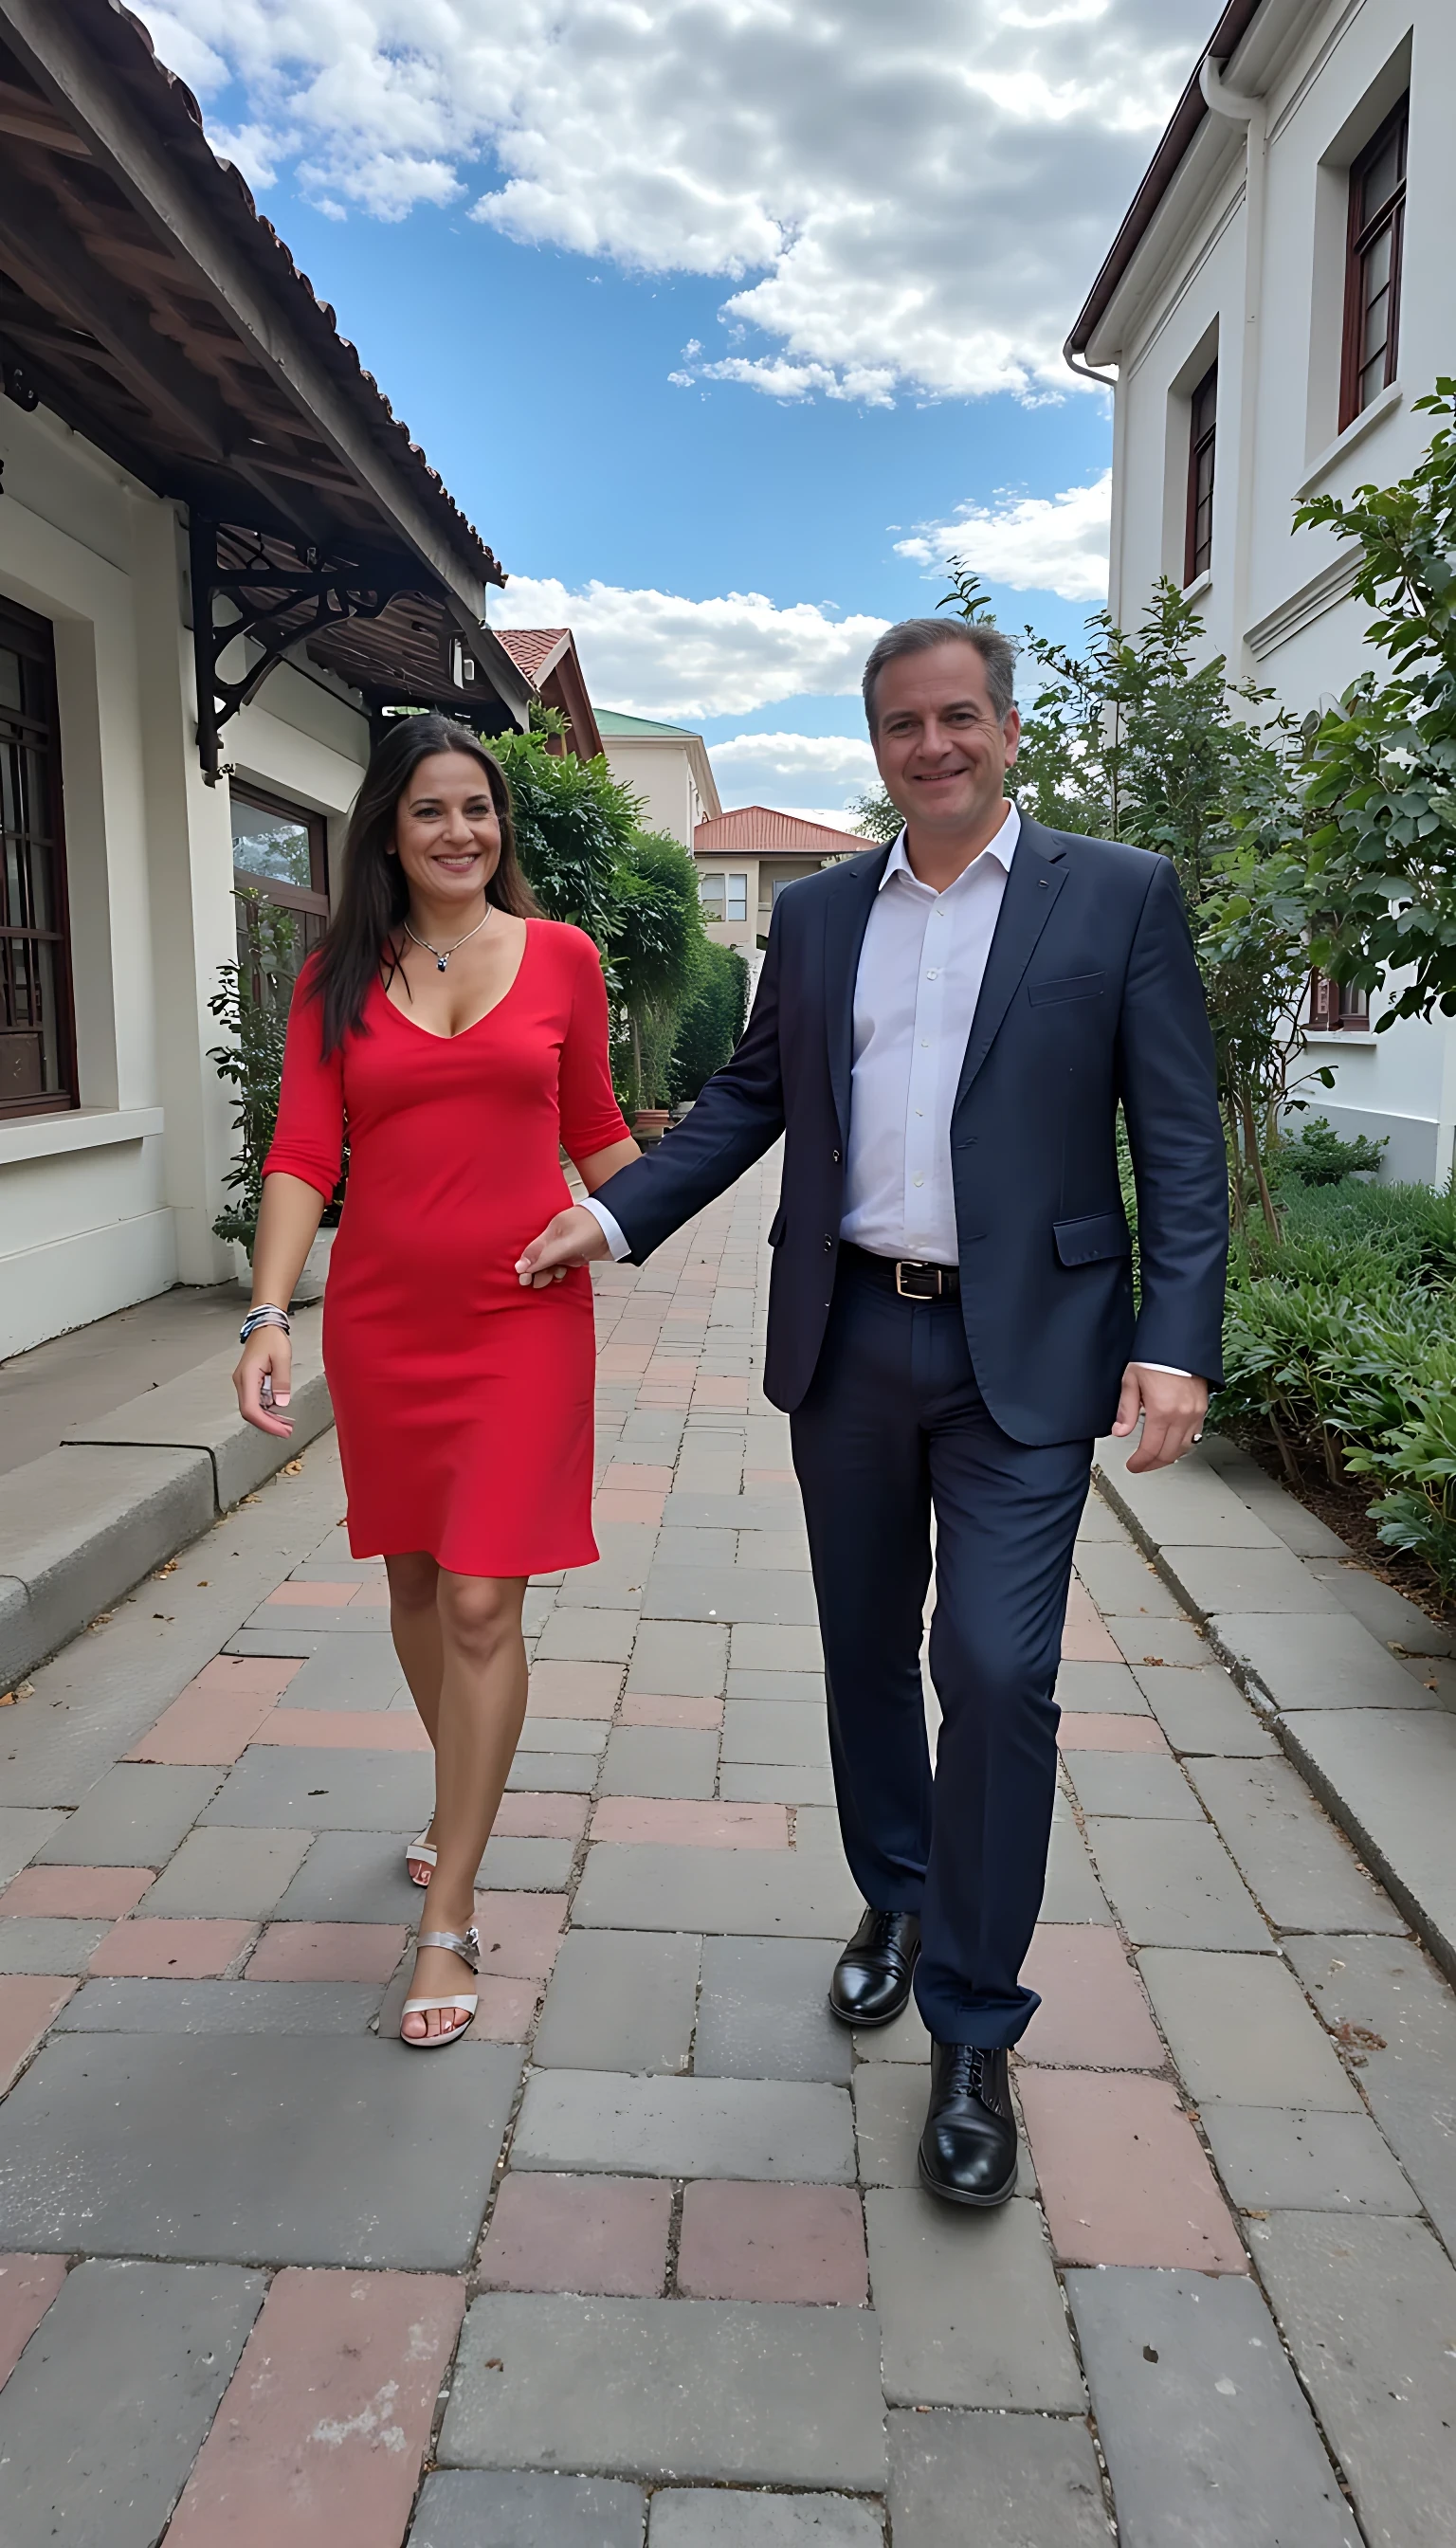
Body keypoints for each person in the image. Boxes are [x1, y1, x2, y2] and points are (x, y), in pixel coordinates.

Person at [517, 620, 1227, 2203]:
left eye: (959, 717)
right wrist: (617, 1214)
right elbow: (754, 1100)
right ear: (877, 742)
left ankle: (975, 2026)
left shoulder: (1114, 896)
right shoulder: (826, 913)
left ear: (1006, 730)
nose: (934, 745)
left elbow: (1179, 1136)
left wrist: (1176, 1340)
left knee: (996, 1667)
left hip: (1024, 1357)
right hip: (848, 1340)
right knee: (861, 1646)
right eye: (904, 724)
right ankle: (895, 1894)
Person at [234, 714, 637, 2048]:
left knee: (479, 1598)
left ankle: (450, 1907)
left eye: (479, 808)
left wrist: (707, 1217)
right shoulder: (336, 975)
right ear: (388, 835)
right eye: (430, 812)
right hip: (385, 1318)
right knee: (415, 1580)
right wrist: (267, 1312)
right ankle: (459, 1790)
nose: (461, 831)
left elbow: (598, 1133)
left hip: (525, 1313)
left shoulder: (565, 959)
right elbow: (302, 1150)